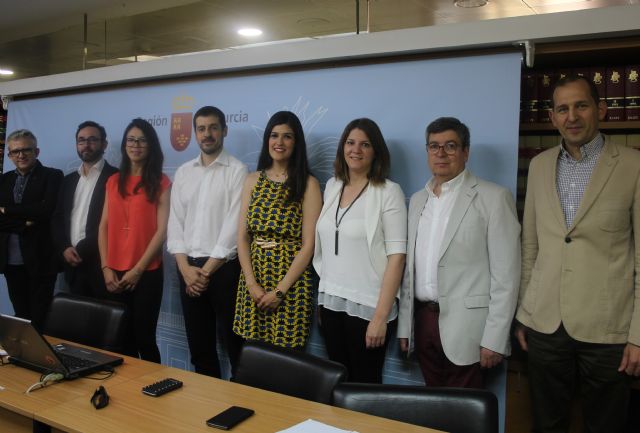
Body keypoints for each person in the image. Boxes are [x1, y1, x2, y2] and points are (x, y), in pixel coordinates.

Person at [515, 75, 640, 433]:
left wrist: (638, 335)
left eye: (580, 106)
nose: (572, 116)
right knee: (546, 424)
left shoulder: (633, 165)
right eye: (562, 109)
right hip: (545, 326)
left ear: (599, 109)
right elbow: (531, 247)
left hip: (608, 330)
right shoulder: (539, 166)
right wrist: (525, 312)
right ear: (552, 117)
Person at [397, 117, 520, 388]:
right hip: (424, 321)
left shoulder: (493, 198)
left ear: (466, 152)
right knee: (433, 410)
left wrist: (495, 338)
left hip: (470, 330)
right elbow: (409, 271)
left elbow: (506, 276)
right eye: (434, 146)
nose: (441, 153)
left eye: (450, 146)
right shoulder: (418, 200)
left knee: (465, 413)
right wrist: (405, 326)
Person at [313, 118, 406, 383]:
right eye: (351, 143)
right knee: (337, 384)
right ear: (342, 147)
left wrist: (380, 318)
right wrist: (324, 298)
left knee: (365, 387)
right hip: (332, 303)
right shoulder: (332, 186)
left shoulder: (389, 191)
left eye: (365, 144)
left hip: (369, 308)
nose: (356, 149)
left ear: (376, 151)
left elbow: (397, 258)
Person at [168, 106, 247, 377]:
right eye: (201, 129)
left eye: (213, 127)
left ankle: (242, 402)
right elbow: (175, 225)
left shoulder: (237, 171)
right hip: (188, 270)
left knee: (235, 345)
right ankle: (205, 407)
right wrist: (187, 270)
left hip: (223, 270)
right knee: (199, 346)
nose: (207, 134)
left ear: (224, 130)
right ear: (195, 134)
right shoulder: (183, 172)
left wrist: (205, 273)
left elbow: (233, 227)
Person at [233, 111, 321, 349]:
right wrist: (252, 284)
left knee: (286, 364)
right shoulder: (252, 180)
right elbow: (242, 237)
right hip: (254, 279)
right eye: (274, 135)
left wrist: (279, 292)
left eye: (287, 137)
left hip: (291, 283)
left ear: (297, 142)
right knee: (252, 357)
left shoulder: (308, 184)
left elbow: (309, 245)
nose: (279, 142)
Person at [98, 118, 171, 362]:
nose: (136, 145)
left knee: (145, 339)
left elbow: (162, 231)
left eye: (142, 140)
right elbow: (104, 226)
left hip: (146, 272)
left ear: (151, 146)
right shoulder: (112, 181)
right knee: (120, 339)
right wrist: (105, 268)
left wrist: (138, 270)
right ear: (124, 145)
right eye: (131, 139)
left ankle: (153, 394)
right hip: (114, 273)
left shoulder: (161, 182)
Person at [0, 129, 63, 330]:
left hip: (41, 259)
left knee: (40, 318)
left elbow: (45, 210)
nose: (21, 155)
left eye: (26, 149)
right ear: (9, 155)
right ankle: (24, 357)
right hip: (11, 261)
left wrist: (7, 210)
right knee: (20, 315)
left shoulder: (52, 175)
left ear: (37, 151)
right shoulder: (3, 180)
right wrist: (23, 223)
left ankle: (42, 359)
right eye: (15, 151)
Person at [51, 121, 118, 298]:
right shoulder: (69, 180)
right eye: (81, 141)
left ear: (104, 144)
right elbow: (57, 218)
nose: (86, 145)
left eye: (92, 140)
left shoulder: (116, 178)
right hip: (71, 264)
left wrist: (83, 249)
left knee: (104, 322)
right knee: (77, 323)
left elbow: (115, 223)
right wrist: (65, 247)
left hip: (102, 266)